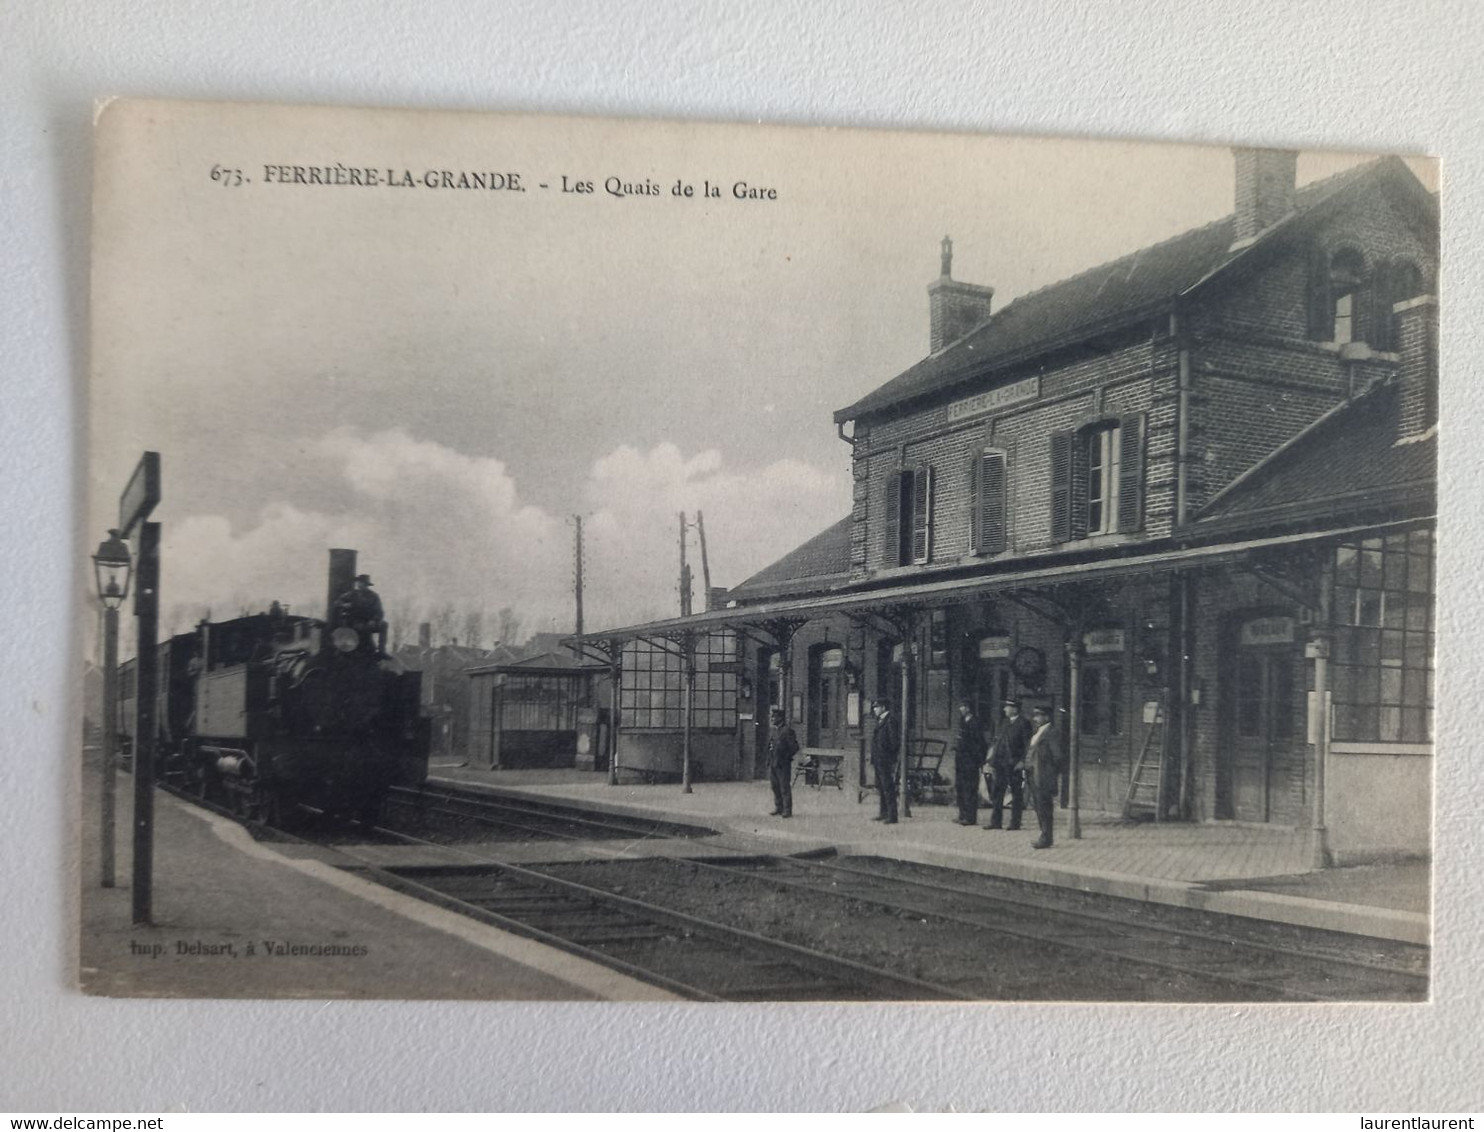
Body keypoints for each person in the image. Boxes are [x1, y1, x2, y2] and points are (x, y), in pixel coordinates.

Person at [985, 697, 1031, 831]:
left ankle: (1015, 823)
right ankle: (996, 822)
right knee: (997, 792)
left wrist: (1022, 761)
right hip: (1000, 763)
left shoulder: (1023, 723)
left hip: (1014, 764)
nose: (1004, 709)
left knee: (1016, 794)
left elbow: (1028, 745)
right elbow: (997, 743)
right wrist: (992, 760)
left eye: (1007, 707)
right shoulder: (1004, 722)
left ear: (1015, 709)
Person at [1026, 704, 1068, 849]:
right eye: (1035, 715)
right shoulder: (1038, 732)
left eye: (1039, 715)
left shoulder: (1051, 733)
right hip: (1034, 774)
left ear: (1047, 717)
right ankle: (1044, 835)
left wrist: (1051, 773)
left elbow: (1058, 756)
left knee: (1044, 807)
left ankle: (1046, 837)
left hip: (1043, 775)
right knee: (1039, 806)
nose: (1036, 718)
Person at [952, 700, 987, 826]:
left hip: (971, 761)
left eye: (962, 707)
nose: (960, 709)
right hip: (961, 760)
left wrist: (978, 760)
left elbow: (979, 743)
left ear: (968, 708)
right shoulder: (962, 721)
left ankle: (970, 817)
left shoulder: (975, 722)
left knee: (970, 788)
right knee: (960, 787)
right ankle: (962, 814)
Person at [333, 573, 388, 655]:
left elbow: (379, 612)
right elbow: (337, 603)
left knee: (384, 625)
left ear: (366, 585)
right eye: (358, 582)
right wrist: (344, 605)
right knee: (359, 630)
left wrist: (374, 620)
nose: (360, 585)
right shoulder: (351, 594)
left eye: (362, 583)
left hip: (369, 622)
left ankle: (381, 650)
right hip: (354, 622)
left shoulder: (373, 596)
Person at [870, 699, 901, 824]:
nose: (874, 710)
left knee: (888, 787)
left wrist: (888, 756)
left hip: (885, 759)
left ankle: (892, 816)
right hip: (878, 759)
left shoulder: (890, 720)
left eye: (876, 707)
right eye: (874, 707)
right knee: (881, 787)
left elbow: (894, 742)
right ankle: (883, 813)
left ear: (883, 707)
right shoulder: (881, 720)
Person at [766, 707, 798, 818]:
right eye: (771, 716)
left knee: (784, 787)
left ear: (780, 717)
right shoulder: (774, 731)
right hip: (773, 763)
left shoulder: (787, 731)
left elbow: (794, 747)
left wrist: (785, 757)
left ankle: (787, 810)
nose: (772, 719)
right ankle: (778, 807)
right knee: (775, 786)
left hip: (783, 764)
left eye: (774, 717)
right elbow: (770, 747)